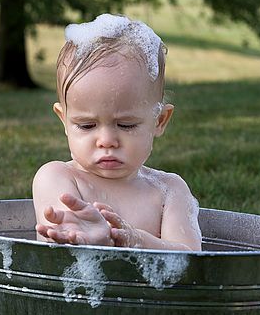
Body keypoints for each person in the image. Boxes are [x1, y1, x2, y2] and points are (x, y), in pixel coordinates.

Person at [32, 14, 202, 251]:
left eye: (126, 125)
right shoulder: (56, 177)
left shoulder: (169, 191)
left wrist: (133, 239)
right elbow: (63, 238)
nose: (106, 141)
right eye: (86, 126)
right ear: (64, 120)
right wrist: (86, 235)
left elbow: (191, 261)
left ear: (159, 120)